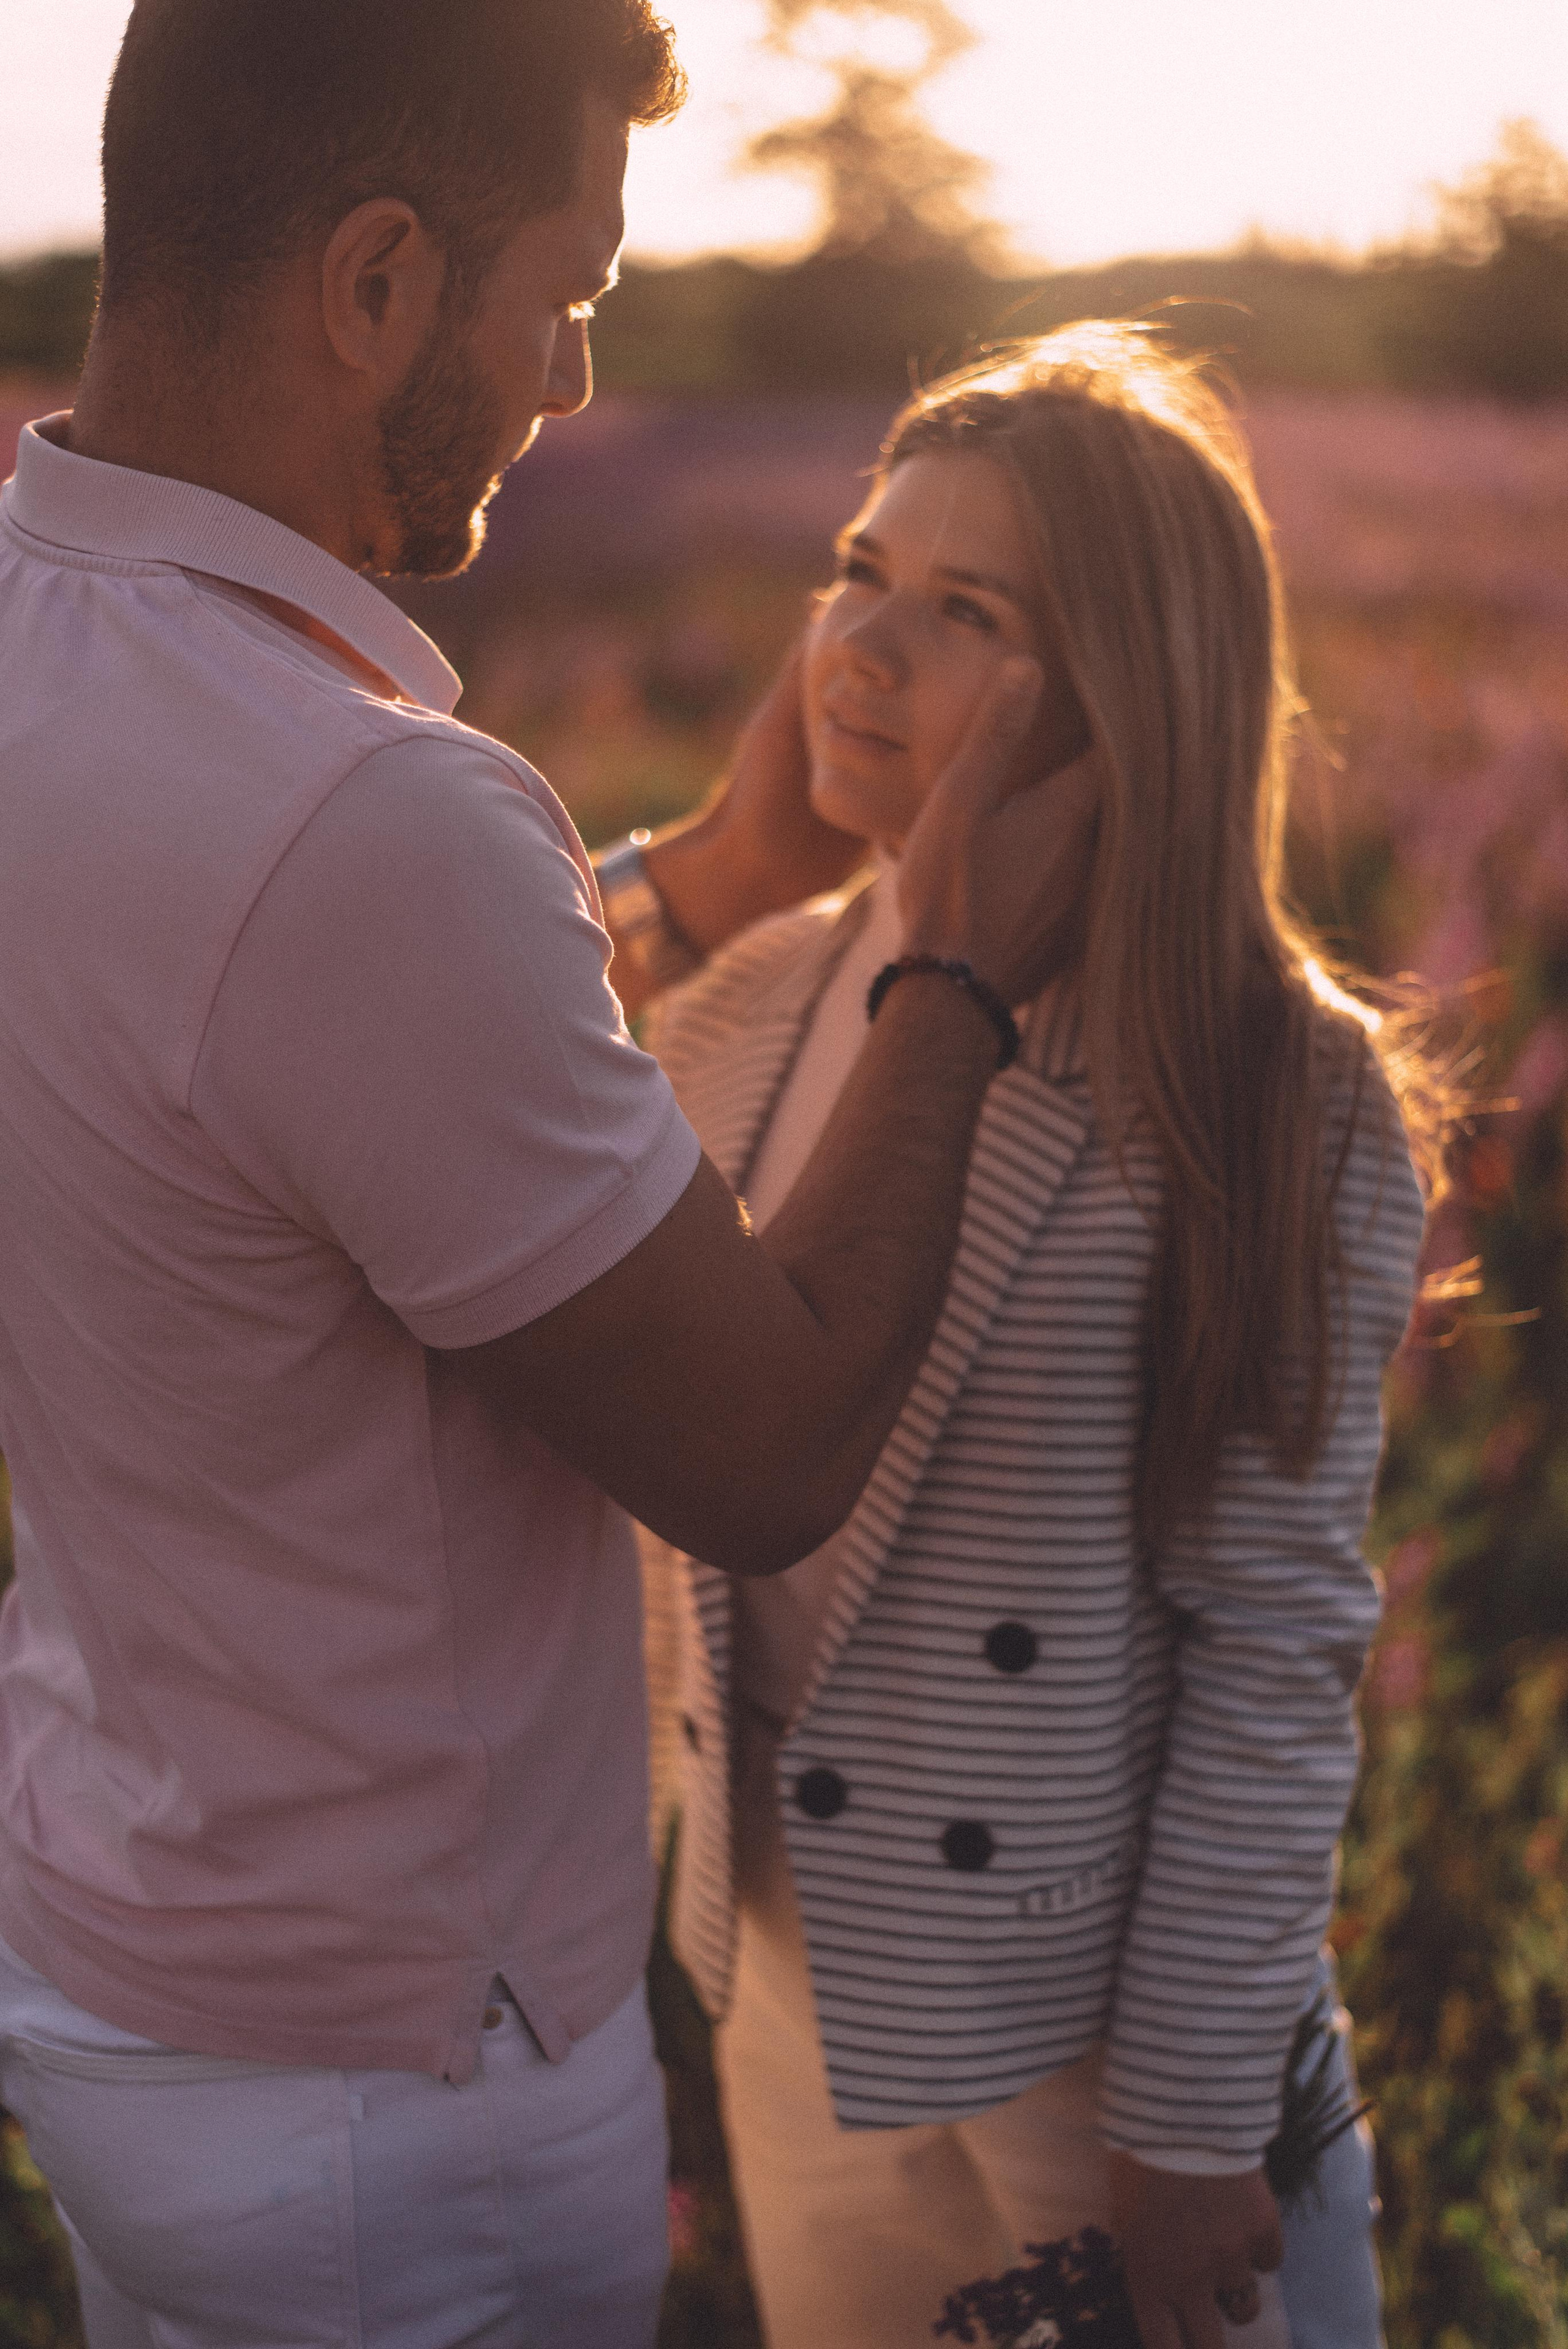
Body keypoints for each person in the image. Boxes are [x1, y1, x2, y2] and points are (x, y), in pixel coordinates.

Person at [0, 5, 1097, 2342]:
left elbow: (258, 1049)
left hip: (118, 1971)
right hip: (395, 2085)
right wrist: (958, 976)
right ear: (377, 280)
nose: (577, 382)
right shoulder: (370, 822)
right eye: (566, 297)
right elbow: (772, 1437)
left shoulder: (37, 632)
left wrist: (689, 884)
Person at [638, 324, 1433, 2349]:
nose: (860, 649)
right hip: (793, 1995)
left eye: (963, 610)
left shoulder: (1271, 1084)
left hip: (1103, 2042)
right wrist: (712, 875)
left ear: (1120, 691)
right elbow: (425, 1086)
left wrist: (1183, 2120)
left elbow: (1272, 1641)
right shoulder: (744, 1006)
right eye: (857, 571)